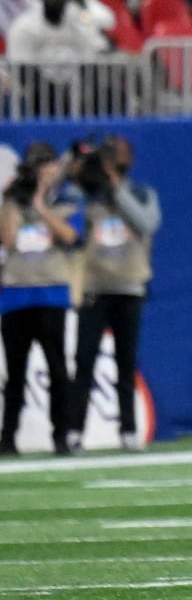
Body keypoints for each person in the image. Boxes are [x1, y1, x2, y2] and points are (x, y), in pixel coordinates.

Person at [67, 136, 160, 452]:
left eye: (115, 157)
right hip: (94, 286)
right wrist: (76, 167)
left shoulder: (140, 192)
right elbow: (64, 214)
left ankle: (128, 429)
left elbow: (146, 223)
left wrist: (115, 187)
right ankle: (74, 430)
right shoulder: (86, 195)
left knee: (125, 360)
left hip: (128, 286)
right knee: (84, 359)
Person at [0, 142, 83, 457]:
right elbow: (8, 240)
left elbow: (70, 237)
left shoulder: (66, 201)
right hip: (16, 295)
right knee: (15, 373)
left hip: (51, 292)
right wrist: (12, 200)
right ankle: (8, 438)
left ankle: (60, 436)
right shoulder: (13, 203)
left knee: (58, 369)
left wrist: (41, 206)